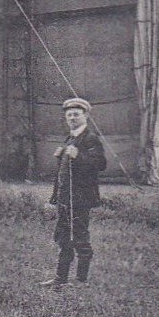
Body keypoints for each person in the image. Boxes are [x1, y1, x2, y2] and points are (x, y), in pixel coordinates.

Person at [43, 97, 105, 288]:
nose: (72, 118)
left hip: (81, 199)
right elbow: (64, 174)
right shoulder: (69, 138)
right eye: (69, 115)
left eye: (76, 114)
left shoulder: (91, 138)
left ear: (86, 115)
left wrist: (79, 155)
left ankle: (81, 280)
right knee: (63, 237)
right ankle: (60, 278)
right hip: (65, 198)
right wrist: (55, 197)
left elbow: (101, 164)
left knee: (80, 237)